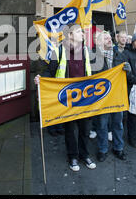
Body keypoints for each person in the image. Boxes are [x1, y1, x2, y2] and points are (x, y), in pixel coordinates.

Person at [34, 23, 97, 172]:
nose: (82, 34)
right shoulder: (60, 51)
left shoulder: (86, 51)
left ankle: (85, 155)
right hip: (67, 97)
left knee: (85, 129)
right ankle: (73, 157)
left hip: (84, 96)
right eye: (79, 32)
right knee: (69, 129)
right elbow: (50, 71)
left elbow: (93, 71)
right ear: (69, 35)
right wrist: (41, 79)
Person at [94, 31, 127, 161]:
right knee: (102, 124)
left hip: (117, 95)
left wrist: (128, 72)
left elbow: (127, 76)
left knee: (118, 124)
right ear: (99, 42)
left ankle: (119, 148)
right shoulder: (93, 57)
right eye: (105, 38)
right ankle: (103, 149)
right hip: (102, 97)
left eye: (109, 38)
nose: (109, 40)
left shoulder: (120, 55)